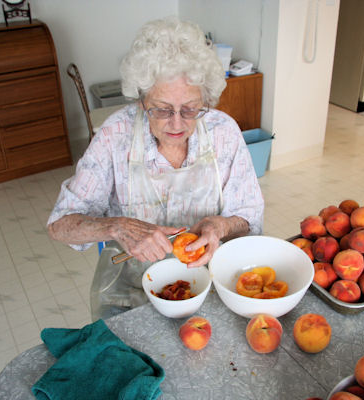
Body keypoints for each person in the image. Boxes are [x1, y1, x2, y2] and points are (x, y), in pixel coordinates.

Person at [47, 16, 264, 319]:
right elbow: (60, 225)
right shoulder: (115, 135)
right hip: (131, 294)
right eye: (161, 109)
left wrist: (221, 226)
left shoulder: (223, 131)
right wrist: (117, 227)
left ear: (206, 99)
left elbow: (250, 216)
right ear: (141, 100)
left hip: (210, 287)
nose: (177, 123)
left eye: (190, 109)